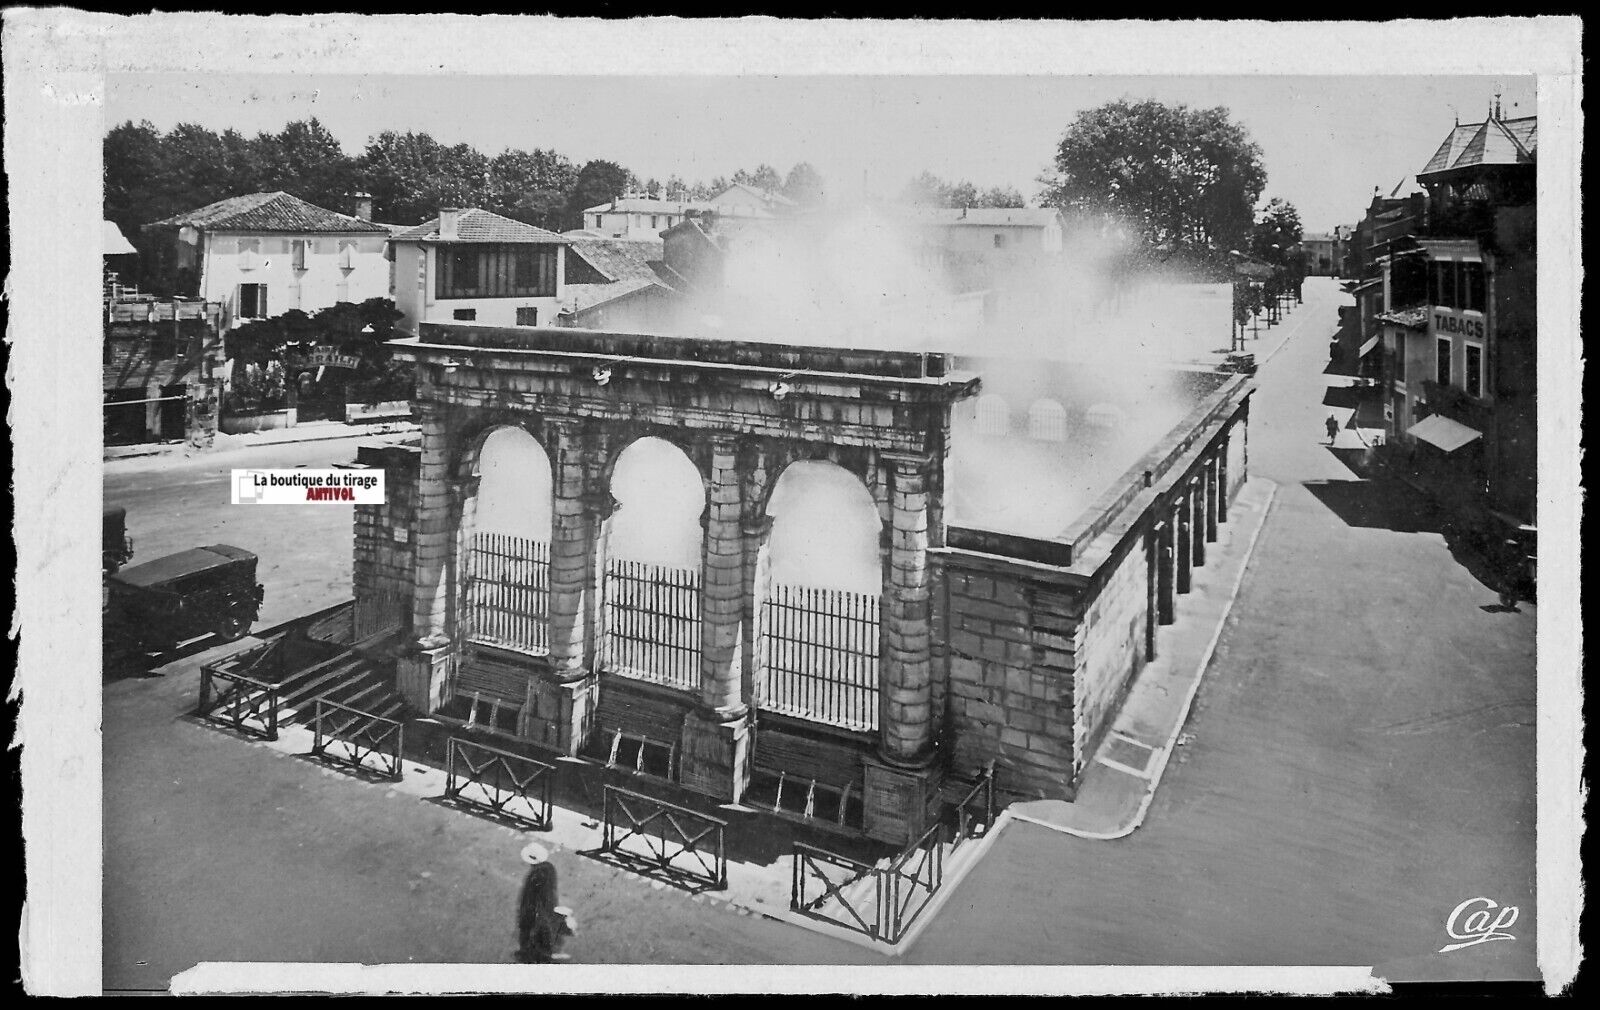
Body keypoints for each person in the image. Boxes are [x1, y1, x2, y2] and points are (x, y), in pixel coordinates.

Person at [516, 843, 576, 963]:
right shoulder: (550, 868)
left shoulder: (534, 876)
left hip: (537, 910)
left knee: (534, 932)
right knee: (544, 930)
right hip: (548, 905)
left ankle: (537, 954)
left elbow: (530, 898)